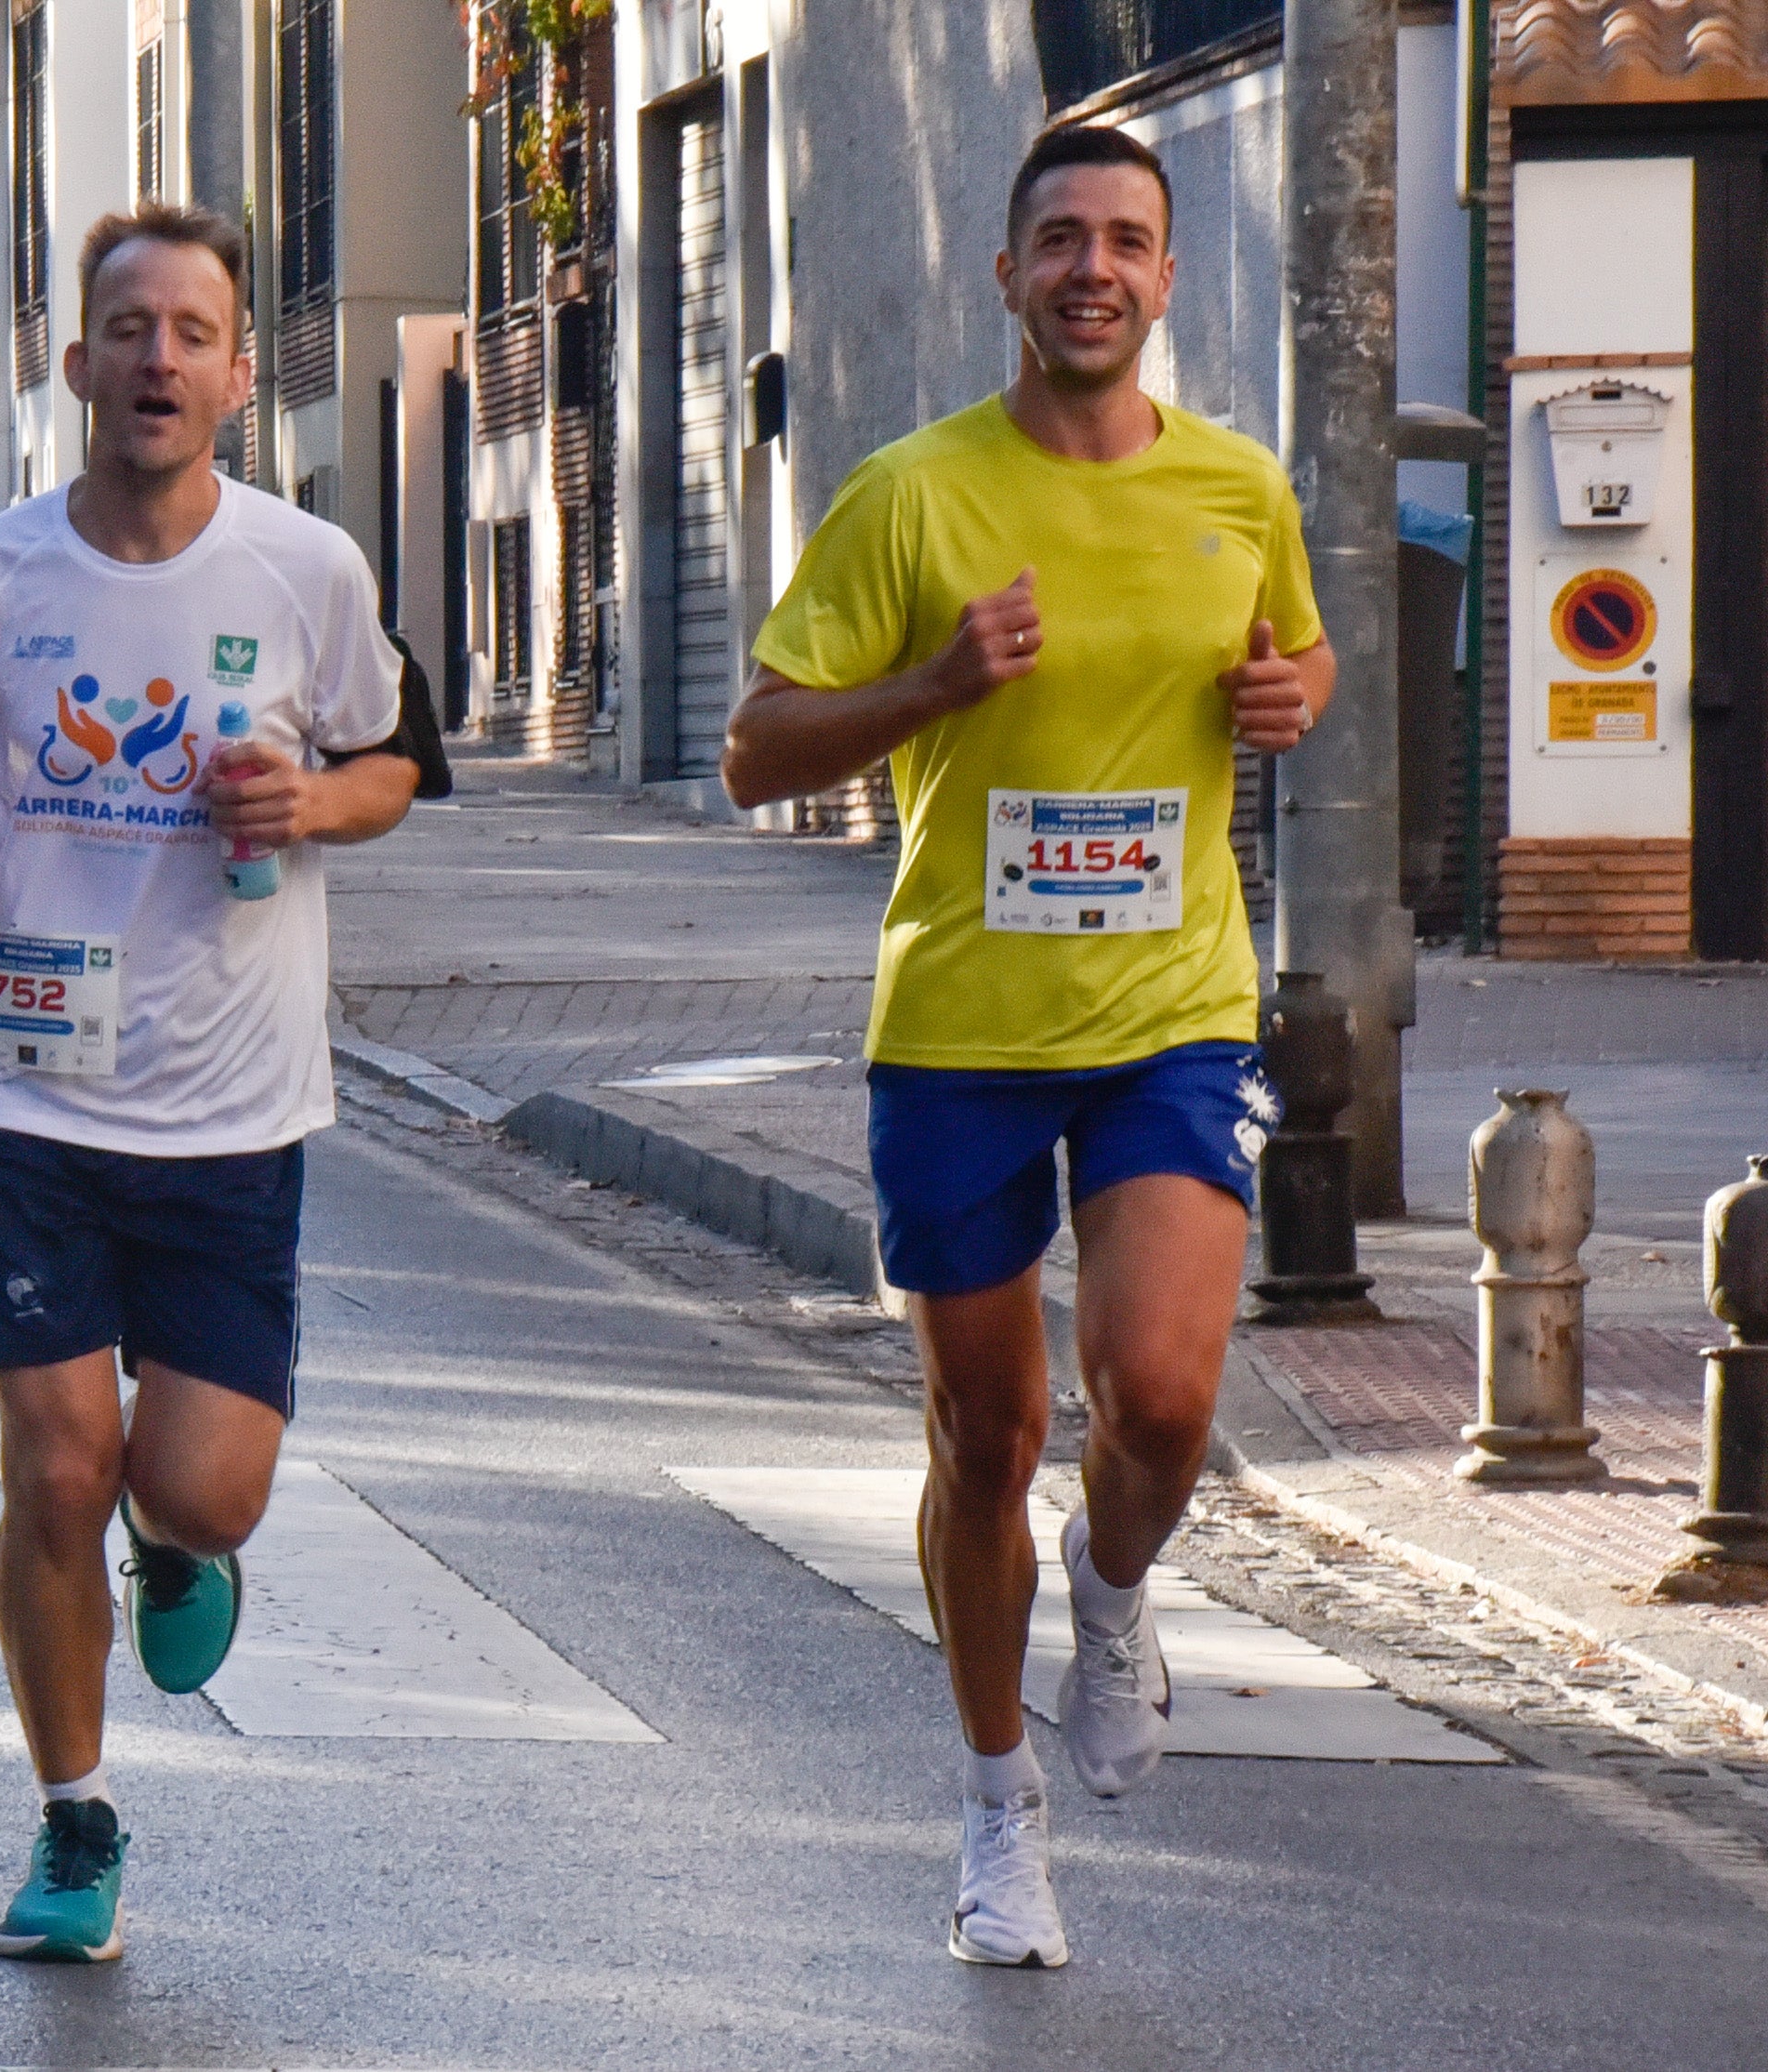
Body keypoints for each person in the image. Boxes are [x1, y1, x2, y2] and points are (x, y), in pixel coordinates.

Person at [722, 124, 1331, 1973]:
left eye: (1125, 242)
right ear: (1006, 276)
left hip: (1167, 1012)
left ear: (1162, 279)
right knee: (982, 1437)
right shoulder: (912, 495)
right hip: (963, 1029)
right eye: (1057, 238)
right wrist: (929, 688)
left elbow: (1287, 667)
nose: (1091, 268)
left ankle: (1118, 1583)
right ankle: (997, 1805)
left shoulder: (1239, 489)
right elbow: (754, 746)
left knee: (1157, 1400)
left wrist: (1293, 696)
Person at [0, 201, 418, 1965]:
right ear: (71, 363)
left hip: (234, 1105)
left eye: (190, 332)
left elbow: (387, 764)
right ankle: (74, 1816)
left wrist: (308, 803)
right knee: (54, 1467)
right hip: (27, 1095)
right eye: (124, 328)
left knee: (194, 1486)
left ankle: (186, 1543)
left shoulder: (309, 573)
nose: (156, 357)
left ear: (235, 370)